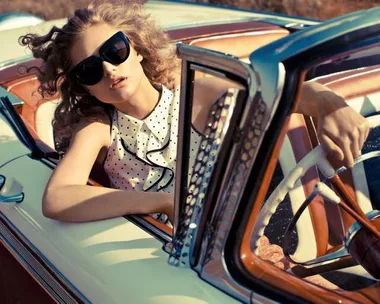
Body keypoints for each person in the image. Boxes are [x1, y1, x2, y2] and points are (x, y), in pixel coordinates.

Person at [20, 1, 369, 224]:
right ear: (84, 86)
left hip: (235, 239)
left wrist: (328, 104)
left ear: (138, 50)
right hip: (161, 254)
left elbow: (272, 89)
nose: (110, 70)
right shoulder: (99, 127)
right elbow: (57, 198)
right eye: (90, 70)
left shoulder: (195, 93)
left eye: (115, 50)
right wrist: (161, 201)